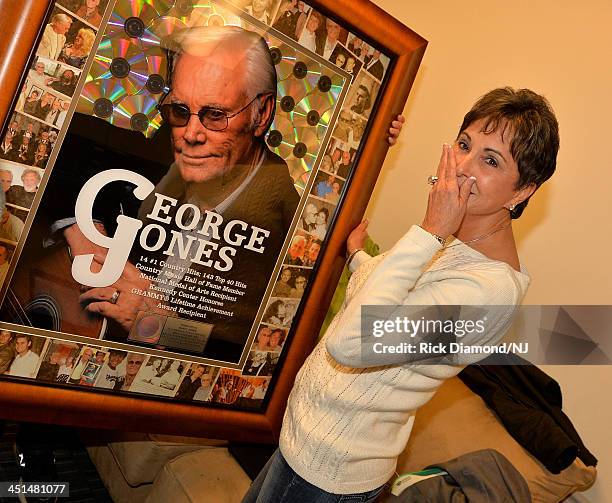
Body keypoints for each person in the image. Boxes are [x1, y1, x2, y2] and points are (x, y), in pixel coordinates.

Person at [242, 87, 559, 502]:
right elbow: (387, 298)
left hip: (327, 473)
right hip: (303, 443)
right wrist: (359, 255)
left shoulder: (489, 291)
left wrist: (429, 231)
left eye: (490, 160)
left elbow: (352, 341)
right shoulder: (454, 244)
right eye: (464, 144)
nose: (462, 166)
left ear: (522, 192)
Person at [67, 26, 300, 363]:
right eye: (180, 110)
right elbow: (71, 153)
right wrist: (80, 226)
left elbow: (252, 351)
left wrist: (154, 323)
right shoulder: (174, 139)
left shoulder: (288, 225)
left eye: (215, 115)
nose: (190, 134)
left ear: (261, 114)